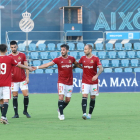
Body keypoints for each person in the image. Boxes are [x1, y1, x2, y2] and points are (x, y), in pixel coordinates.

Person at [33, 44, 79, 120]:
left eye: (63, 50)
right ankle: (61, 114)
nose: (62, 51)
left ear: (67, 50)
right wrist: (37, 67)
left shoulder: (72, 59)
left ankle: (59, 109)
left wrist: (85, 68)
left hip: (69, 82)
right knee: (61, 96)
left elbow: (77, 64)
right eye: (61, 50)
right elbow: (48, 64)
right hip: (61, 81)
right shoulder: (58, 59)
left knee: (68, 100)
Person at [0, 44, 33, 124]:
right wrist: (28, 67)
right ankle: (3, 117)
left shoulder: (20, 55)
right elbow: (19, 65)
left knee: (1, 101)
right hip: (7, 83)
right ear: (7, 50)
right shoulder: (9, 58)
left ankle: (4, 116)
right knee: (6, 101)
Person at [78, 44, 103, 120]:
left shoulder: (95, 58)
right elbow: (78, 64)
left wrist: (97, 75)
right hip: (85, 81)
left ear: (90, 50)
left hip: (93, 82)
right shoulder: (82, 58)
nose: (84, 51)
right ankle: (84, 114)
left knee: (92, 97)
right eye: (84, 49)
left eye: (85, 49)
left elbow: (101, 68)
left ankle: (89, 114)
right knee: (84, 96)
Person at [8, 41, 31, 118]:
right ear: (10, 47)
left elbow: (26, 66)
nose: (13, 48)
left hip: (22, 79)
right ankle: (16, 114)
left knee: (26, 94)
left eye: (14, 47)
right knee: (15, 95)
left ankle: (25, 111)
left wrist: (27, 77)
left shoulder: (22, 55)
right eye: (12, 47)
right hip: (13, 80)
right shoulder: (9, 57)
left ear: (17, 46)